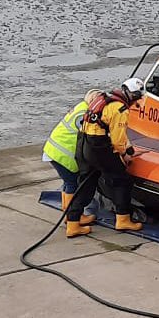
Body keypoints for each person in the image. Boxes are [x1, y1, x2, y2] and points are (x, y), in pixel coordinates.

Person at [65, 77, 146, 238]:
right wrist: (126, 154)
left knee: (86, 183)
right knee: (122, 180)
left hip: (83, 143)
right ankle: (123, 219)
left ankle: (73, 222)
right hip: (98, 147)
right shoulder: (120, 109)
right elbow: (117, 139)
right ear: (134, 96)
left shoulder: (104, 98)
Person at [42, 89, 102, 224]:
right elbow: (91, 138)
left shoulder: (81, 107)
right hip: (62, 155)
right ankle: (73, 217)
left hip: (53, 151)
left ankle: (66, 210)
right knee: (72, 183)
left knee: (67, 182)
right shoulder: (85, 114)